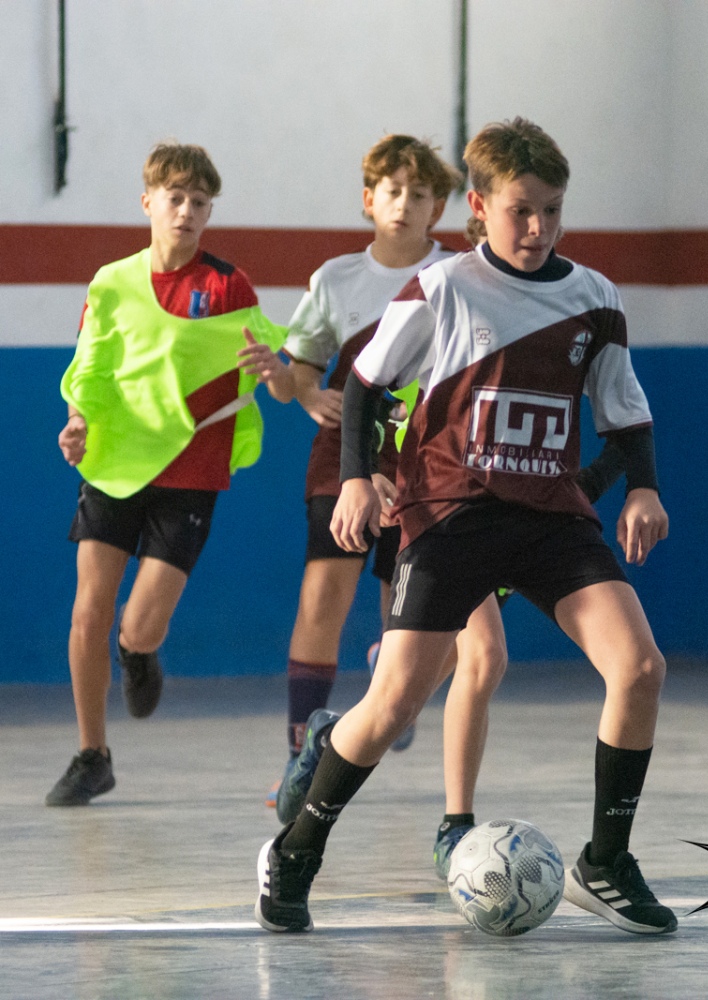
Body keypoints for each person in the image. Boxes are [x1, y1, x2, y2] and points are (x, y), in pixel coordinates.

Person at [255, 117, 676, 936]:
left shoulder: (595, 297)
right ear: (478, 207)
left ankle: (606, 860)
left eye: (553, 211)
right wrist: (355, 479)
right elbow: (369, 387)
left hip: (552, 515)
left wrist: (643, 489)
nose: (538, 228)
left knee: (641, 668)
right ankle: (298, 847)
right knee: (395, 701)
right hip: (451, 513)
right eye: (521, 210)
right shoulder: (442, 288)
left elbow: (624, 411)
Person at [266, 136, 509, 879]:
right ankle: (302, 753)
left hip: (429, 467)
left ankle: (381, 696)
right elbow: (295, 379)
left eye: (418, 191)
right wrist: (303, 389)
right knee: (323, 595)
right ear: (368, 198)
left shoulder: (458, 276)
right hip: (345, 459)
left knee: (433, 632)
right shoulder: (337, 278)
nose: (404, 202)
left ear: (442, 206)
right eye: (390, 189)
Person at [47, 142, 289, 806]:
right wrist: (78, 422)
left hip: (191, 469)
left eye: (199, 202)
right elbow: (91, 368)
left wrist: (285, 375)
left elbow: (279, 362)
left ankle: (140, 652)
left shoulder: (228, 286)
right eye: (174, 197)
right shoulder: (112, 281)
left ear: (210, 210)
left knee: (139, 624)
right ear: (148, 200)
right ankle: (92, 754)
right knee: (87, 611)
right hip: (115, 463)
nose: (185, 211)